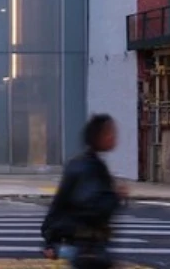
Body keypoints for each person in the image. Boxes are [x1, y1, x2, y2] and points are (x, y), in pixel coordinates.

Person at [41, 114, 123, 269]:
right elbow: (91, 206)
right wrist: (115, 197)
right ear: (98, 136)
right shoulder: (90, 168)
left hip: (85, 247)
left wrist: (49, 240)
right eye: (110, 132)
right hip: (87, 249)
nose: (114, 137)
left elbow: (58, 204)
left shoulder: (82, 164)